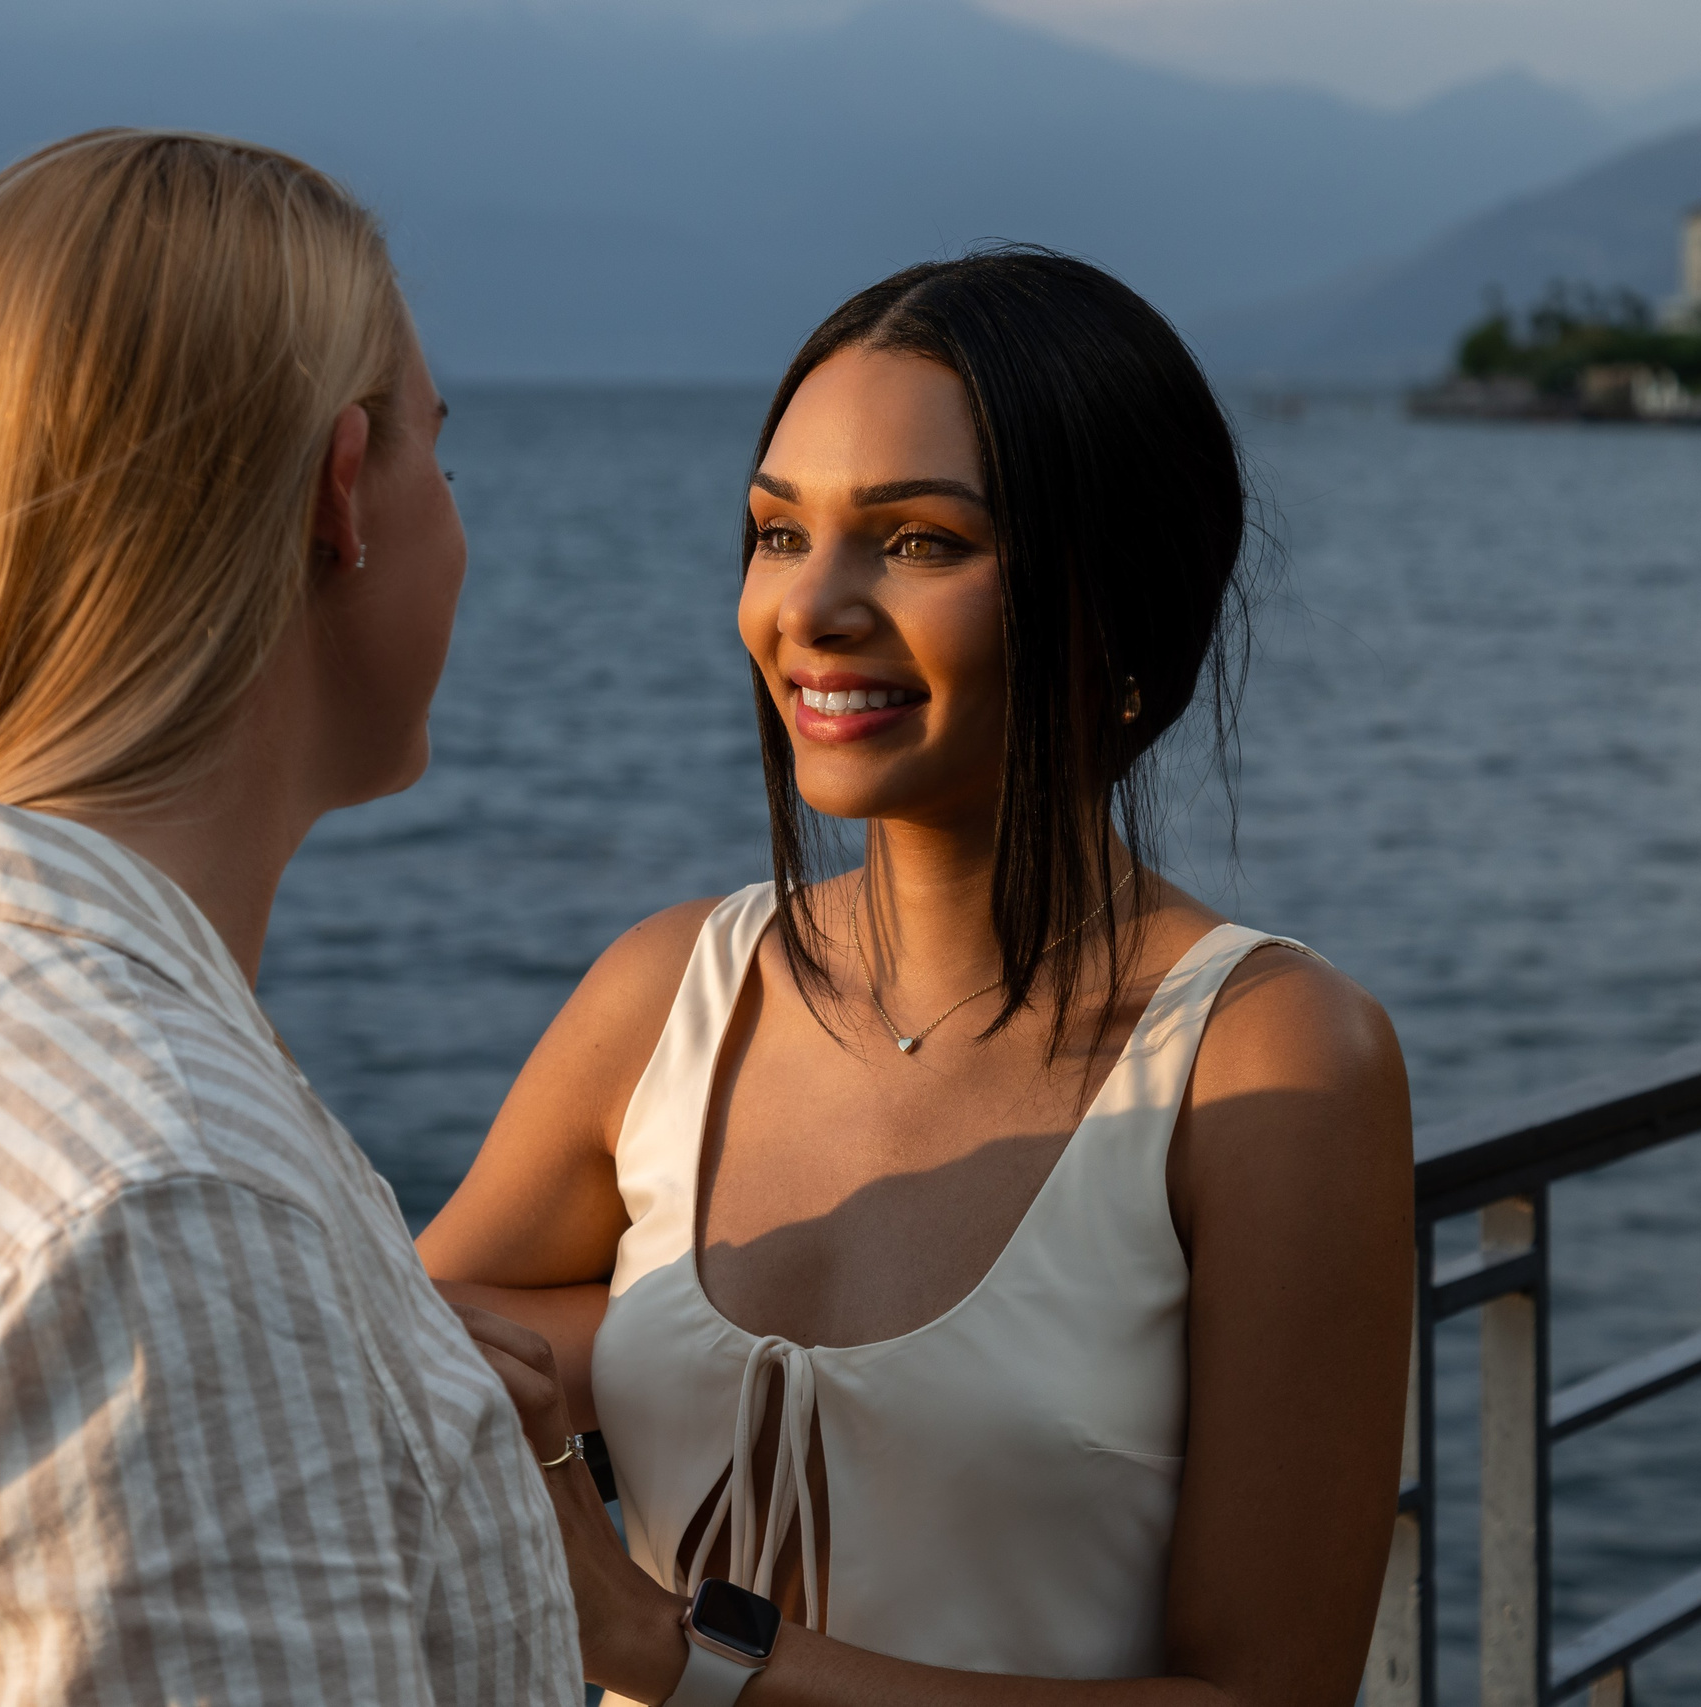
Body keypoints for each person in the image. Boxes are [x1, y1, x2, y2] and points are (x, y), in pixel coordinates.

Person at [423, 251, 1414, 1706]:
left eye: (919, 543)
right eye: (777, 533)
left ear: (1118, 599)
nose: (811, 606)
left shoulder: (1269, 1065)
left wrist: (672, 1652)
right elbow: (383, 1361)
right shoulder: (671, 996)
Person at [0, 130, 580, 1706]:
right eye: (437, 459)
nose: (455, 525)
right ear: (345, 495)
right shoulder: (164, 1213)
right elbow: (139, 1273)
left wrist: (368, 1393)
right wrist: (252, 1348)